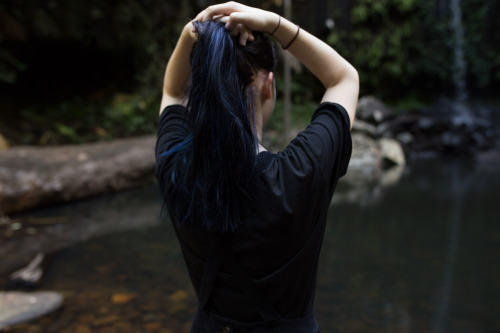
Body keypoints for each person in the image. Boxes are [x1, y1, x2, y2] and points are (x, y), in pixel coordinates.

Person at [155, 2, 359, 332]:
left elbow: (171, 92)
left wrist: (190, 35)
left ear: (201, 90)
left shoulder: (175, 171)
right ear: (268, 84)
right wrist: (276, 24)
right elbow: (343, 79)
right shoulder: (298, 174)